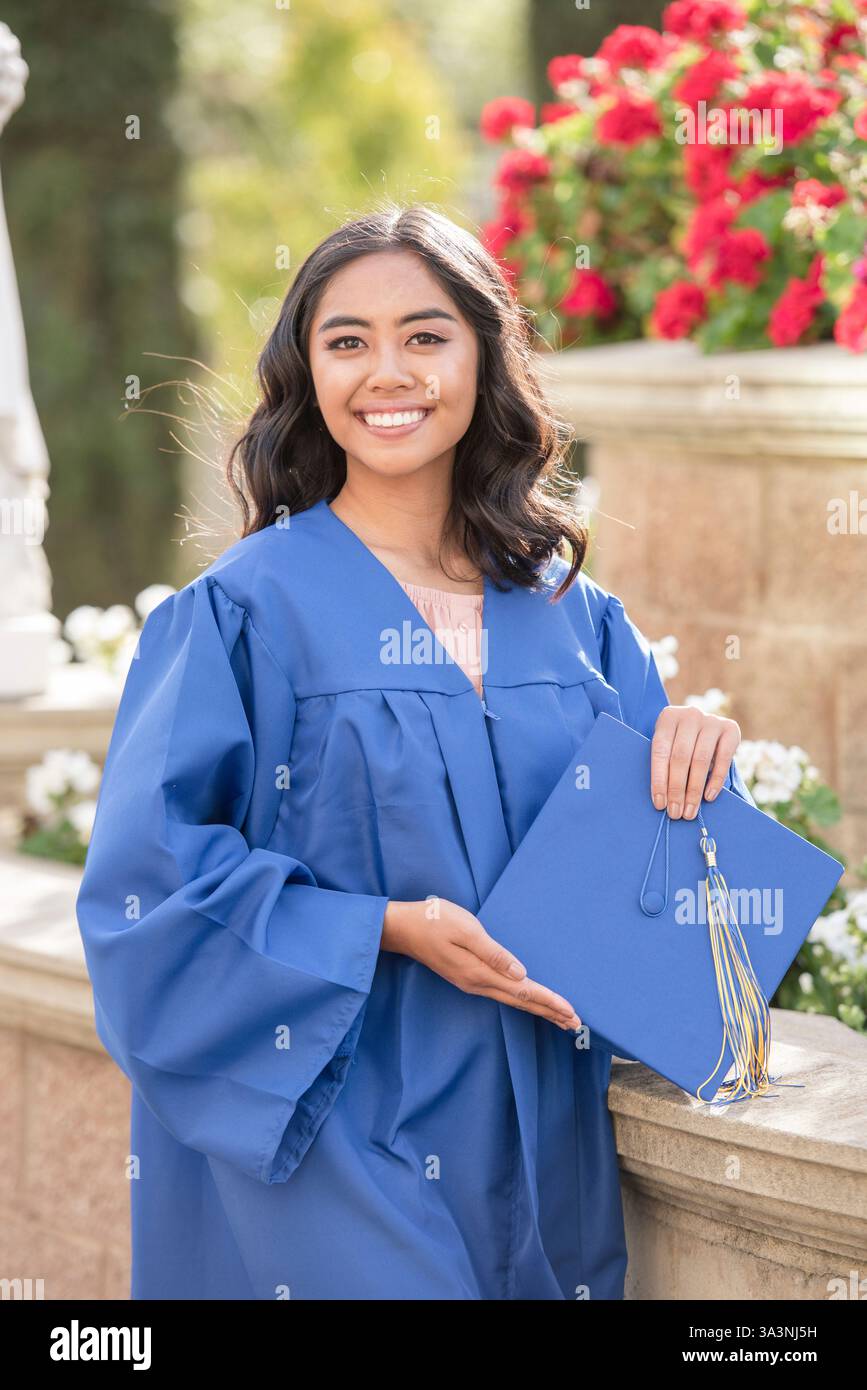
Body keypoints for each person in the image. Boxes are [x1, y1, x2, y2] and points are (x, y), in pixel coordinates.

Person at [76, 203, 751, 1301]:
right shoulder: (241, 616)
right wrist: (382, 926)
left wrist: (696, 755)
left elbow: (664, 915)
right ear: (310, 371)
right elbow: (145, 900)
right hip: (329, 1126)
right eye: (348, 341)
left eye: (426, 335)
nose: (386, 371)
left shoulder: (581, 624)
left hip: (546, 1147)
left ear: (486, 358)